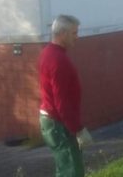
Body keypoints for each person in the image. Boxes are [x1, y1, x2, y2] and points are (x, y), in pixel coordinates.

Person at [38, 14, 93, 177]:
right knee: (72, 171)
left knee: (65, 168)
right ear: (62, 34)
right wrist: (78, 129)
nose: (77, 37)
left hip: (53, 121)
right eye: (74, 33)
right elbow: (61, 101)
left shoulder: (48, 53)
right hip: (58, 124)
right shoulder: (58, 60)